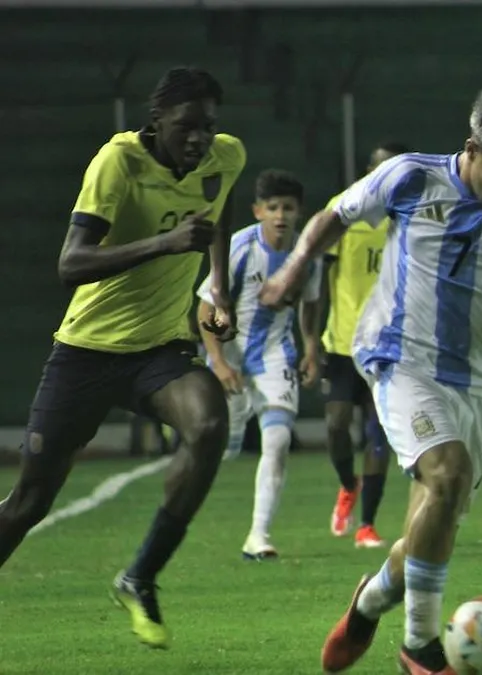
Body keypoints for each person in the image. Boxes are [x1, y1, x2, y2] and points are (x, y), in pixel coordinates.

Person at [260, 85, 482, 675]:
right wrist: (294, 269)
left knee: (431, 523)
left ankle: (368, 604)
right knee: (448, 472)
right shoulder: (411, 177)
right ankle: (418, 647)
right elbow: (335, 216)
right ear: (472, 148)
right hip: (402, 359)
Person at [0, 66, 244, 648]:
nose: (198, 138)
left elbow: (220, 208)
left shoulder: (225, 156)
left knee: (210, 424)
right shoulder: (119, 163)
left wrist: (219, 286)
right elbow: (71, 263)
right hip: (85, 354)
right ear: (156, 121)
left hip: (160, 350)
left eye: (207, 126)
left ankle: (140, 577)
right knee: (29, 503)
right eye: (186, 126)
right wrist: (165, 243)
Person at [196, 169, 321, 560]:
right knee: (225, 448)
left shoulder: (306, 253)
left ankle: (258, 535)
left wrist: (311, 347)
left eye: (288, 208)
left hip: (275, 352)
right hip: (230, 353)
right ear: (258, 211)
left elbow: (311, 302)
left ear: (299, 212)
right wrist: (218, 362)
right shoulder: (239, 247)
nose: (281, 215)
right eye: (273, 207)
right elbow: (205, 308)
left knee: (278, 441)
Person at [323, 141, 411, 549]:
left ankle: (368, 525)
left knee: (378, 435)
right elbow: (317, 280)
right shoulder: (344, 209)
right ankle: (348, 483)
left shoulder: (411, 216)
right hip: (342, 343)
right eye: (379, 168)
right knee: (336, 425)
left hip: (389, 345)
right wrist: (311, 344)